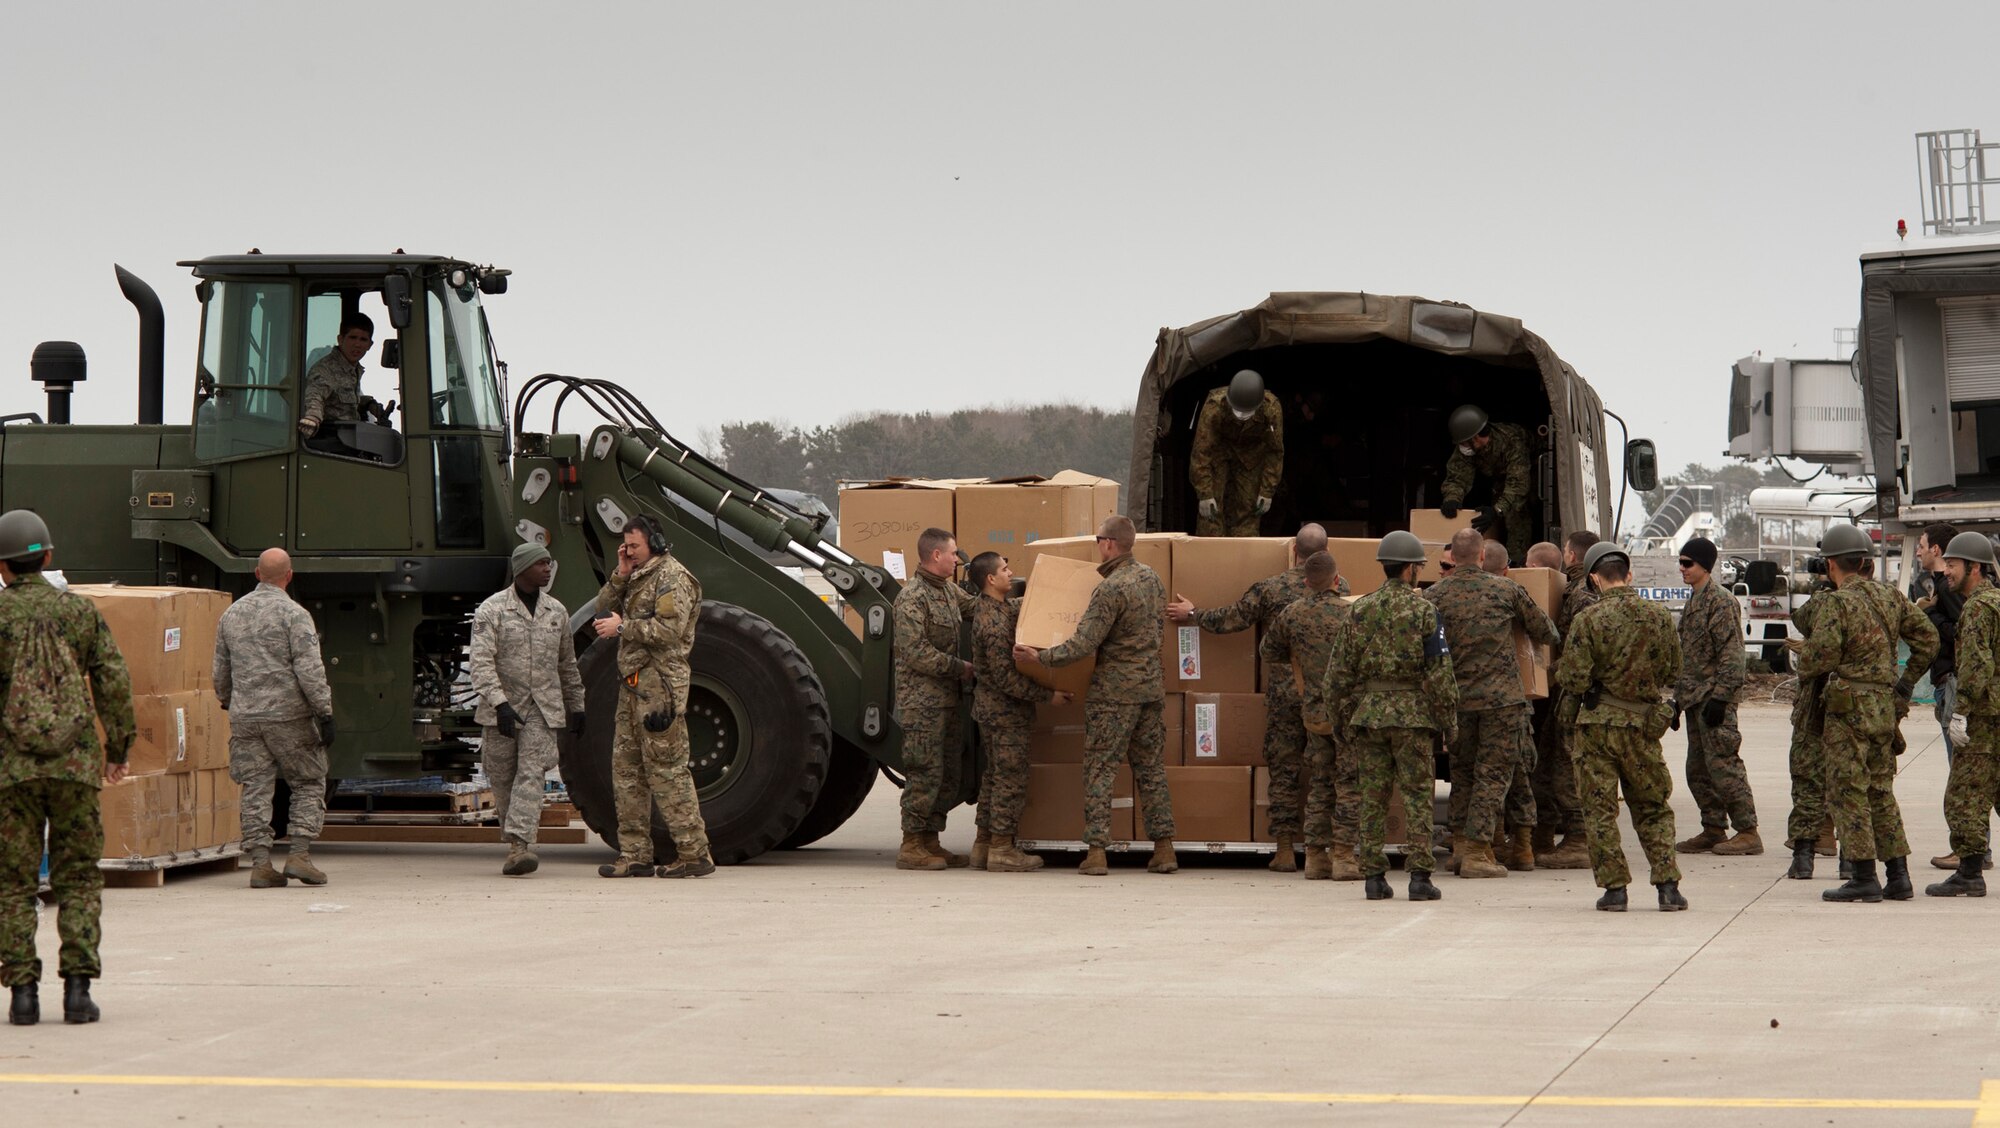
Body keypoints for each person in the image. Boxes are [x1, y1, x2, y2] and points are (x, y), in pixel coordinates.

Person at [0, 510, 134, 1026]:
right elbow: (113, 681)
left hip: (13, 771)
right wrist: (118, 748)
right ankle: (78, 993)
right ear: (49, 557)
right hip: (76, 766)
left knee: (13, 882)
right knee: (78, 878)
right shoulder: (80, 614)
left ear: (4, 567)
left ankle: (23, 997)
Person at [1166, 523, 1339, 870]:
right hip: (1323, 697)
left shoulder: (1271, 588)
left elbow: (1233, 618)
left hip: (1284, 696)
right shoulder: (1340, 588)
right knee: (1325, 770)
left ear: (1294, 551)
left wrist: (1193, 615)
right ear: (1327, 553)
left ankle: (1286, 849)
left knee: (1284, 768)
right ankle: (1323, 849)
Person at [1015, 516, 1178, 876]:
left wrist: (1040, 657)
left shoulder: (1110, 589)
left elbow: (1083, 644)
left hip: (1115, 694)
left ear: (1108, 544)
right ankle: (1164, 849)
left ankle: (1097, 852)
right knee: (1150, 769)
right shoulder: (1151, 578)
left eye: (1099, 540)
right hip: (1150, 688)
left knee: (1100, 770)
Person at [1795, 522, 1937, 903]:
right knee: (1881, 791)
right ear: (1865, 562)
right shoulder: (1890, 597)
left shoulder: (1837, 602)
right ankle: (1899, 875)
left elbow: (1818, 657)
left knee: (1848, 790)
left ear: (1831, 566)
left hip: (1848, 709)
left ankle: (1862, 875)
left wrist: (1805, 661)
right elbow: (1928, 639)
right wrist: (1905, 684)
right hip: (1884, 707)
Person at [1323, 531, 1456, 902]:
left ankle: (1374, 877)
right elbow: (1440, 673)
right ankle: (1419, 878)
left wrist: (1341, 718)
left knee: (1373, 797)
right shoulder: (1424, 610)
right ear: (1412, 569)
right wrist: (1449, 722)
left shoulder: (1359, 609)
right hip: (1413, 717)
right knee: (1417, 798)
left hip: (1370, 718)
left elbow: (1337, 675)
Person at [1555, 541, 1687, 912]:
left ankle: (1614, 890)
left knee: (1599, 811)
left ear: (1594, 578)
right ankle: (1668, 887)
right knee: (1652, 807)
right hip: (1642, 728)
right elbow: (1672, 671)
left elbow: (1574, 677)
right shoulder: (1659, 617)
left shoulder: (1588, 620)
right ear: (1629, 575)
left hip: (1597, 728)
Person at [1425, 529, 1558, 878]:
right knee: (1494, 776)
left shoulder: (1434, 595)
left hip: (1457, 702)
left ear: (1453, 557)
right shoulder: (1506, 590)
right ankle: (1477, 851)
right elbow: (1547, 632)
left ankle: (1459, 847)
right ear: (1483, 556)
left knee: (1463, 774)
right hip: (1502, 702)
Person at [592, 515, 713, 879]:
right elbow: (602, 604)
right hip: (633, 685)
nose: (629, 551)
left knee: (667, 770)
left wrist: (623, 626)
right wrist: (621, 571)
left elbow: (670, 631)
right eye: (625, 545)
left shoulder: (672, 578)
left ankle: (694, 853)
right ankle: (635, 854)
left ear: (656, 543)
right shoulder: (638, 575)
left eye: (635, 546)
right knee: (627, 772)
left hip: (659, 687)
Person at [213, 547, 335, 889]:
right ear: (289, 575)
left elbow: (220, 670)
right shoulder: (294, 615)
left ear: (256, 574)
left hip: (246, 716)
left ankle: (261, 864)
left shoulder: (231, 615)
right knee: (308, 781)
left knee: (255, 787)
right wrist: (324, 712)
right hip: (290, 717)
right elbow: (310, 670)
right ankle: (299, 855)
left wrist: (228, 700)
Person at [469, 542, 586, 877]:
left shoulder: (557, 612)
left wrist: (576, 705)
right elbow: (480, 663)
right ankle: (513, 845)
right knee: (503, 777)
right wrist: (500, 703)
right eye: (541, 564)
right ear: (522, 569)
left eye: (550, 562)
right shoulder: (491, 611)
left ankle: (520, 845)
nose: (548, 569)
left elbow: (567, 664)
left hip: (542, 709)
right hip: (501, 709)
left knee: (531, 771)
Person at [1262, 551, 1361, 880]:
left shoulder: (1293, 613)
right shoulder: (1353, 613)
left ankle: (1316, 857)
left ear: (1306, 582)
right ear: (1337, 580)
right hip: (1348, 714)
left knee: (1320, 782)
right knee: (1349, 784)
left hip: (1315, 712)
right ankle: (1344, 856)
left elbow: (1268, 651)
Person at [967, 551, 1067, 873]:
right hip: (1004, 713)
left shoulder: (993, 608)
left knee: (994, 778)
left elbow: (1016, 607)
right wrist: (1047, 696)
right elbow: (1006, 679)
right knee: (1011, 779)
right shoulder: (992, 625)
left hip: (992, 712)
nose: (1011, 573)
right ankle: (1002, 849)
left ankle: (983, 846)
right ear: (990, 579)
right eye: (1004, 569)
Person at [888, 527, 976, 871]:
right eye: (953, 553)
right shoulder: (913, 598)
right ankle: (911, 844)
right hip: (922, 705)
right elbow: (916, 653)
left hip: (948, 702)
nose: (957, 559)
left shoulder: (947, 591)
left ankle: (930, 840)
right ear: (936, 555)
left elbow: (979, 608)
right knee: (924, 772)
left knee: (948, 772)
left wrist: (1025, 600)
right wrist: (959, 668)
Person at [1671, 537, 1760, 856]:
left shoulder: (1720, 601)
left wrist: (1721, 699)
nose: (1682, 569)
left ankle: (1748, 831)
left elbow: (1732, 654)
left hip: (1714, 700)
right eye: (1679, 563)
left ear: (1704, 566)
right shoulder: (1694, 600)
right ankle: (1713, 827)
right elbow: (1689, 657)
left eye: (1687, 563)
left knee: (1724, 765)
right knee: (1697, 770)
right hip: (1695, 700)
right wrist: (1677, 703)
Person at [1929, 532, 2000, 897]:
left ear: (1974, 567)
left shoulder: (1976, 608)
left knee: (1963, 794)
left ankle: (1970, 872)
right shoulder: (1998, 602)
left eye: (1953, 565)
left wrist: (1961, 713)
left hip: (1985, 717)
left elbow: (1975, 665)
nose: (1947, 572)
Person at [1911, 523, 1983, 872]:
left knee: (1962, 774)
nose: (1919, 551)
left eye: (1922, 545)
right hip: (1952, 684)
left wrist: (1931, 614)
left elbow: (1965, 637)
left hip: (1955, 684)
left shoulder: (1949, 591)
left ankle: (1971, 850)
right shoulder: (1944, 588)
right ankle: (1972, 848)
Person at [1781, 573, 1838, 880]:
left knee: (1806, 777)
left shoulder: (1826, 609)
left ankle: (1804, 854)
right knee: (1847, 778)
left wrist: (1808, 651)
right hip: (1854, 709)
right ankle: (1849, 858)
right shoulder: (1872, 608)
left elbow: (1801, 618)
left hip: (1817, 708)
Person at [1188, 369, 1284, 537]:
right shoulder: (1214, 406)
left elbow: (1275, 452)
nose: (1240, 416)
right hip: (1219, 451)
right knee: (1210, 511)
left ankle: (1243, 557)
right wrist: (1204, 493)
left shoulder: (1271, 409)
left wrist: (1266, 491)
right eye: (1237, 411)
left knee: (1248, 509)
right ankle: (1210, 556)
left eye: (1246, 413)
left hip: (1252, 455)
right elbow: (1201, 451)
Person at [1439, 404, 1532, 563]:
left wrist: (1496, 510)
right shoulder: (1468, 447)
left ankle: (1517, 562)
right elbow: (1457, 476)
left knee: (1516, 513)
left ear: (1475, 438)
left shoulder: (1511, 441)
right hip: (1500, 480)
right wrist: (1452, 499)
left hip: (1528, 474)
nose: (1462, 447)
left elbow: (1518, 485)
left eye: (1465, 443)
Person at [297, 313, 389, 443]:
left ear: (370, 345)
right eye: (353, 337)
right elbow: (315, 395)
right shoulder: (325, 369)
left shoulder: (353, 369)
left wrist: (369, 404)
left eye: (363, 339)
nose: (357, 344)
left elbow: (342, 399)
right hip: (330, 441)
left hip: (349, 438)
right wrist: (312, 418)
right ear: (341, 339)